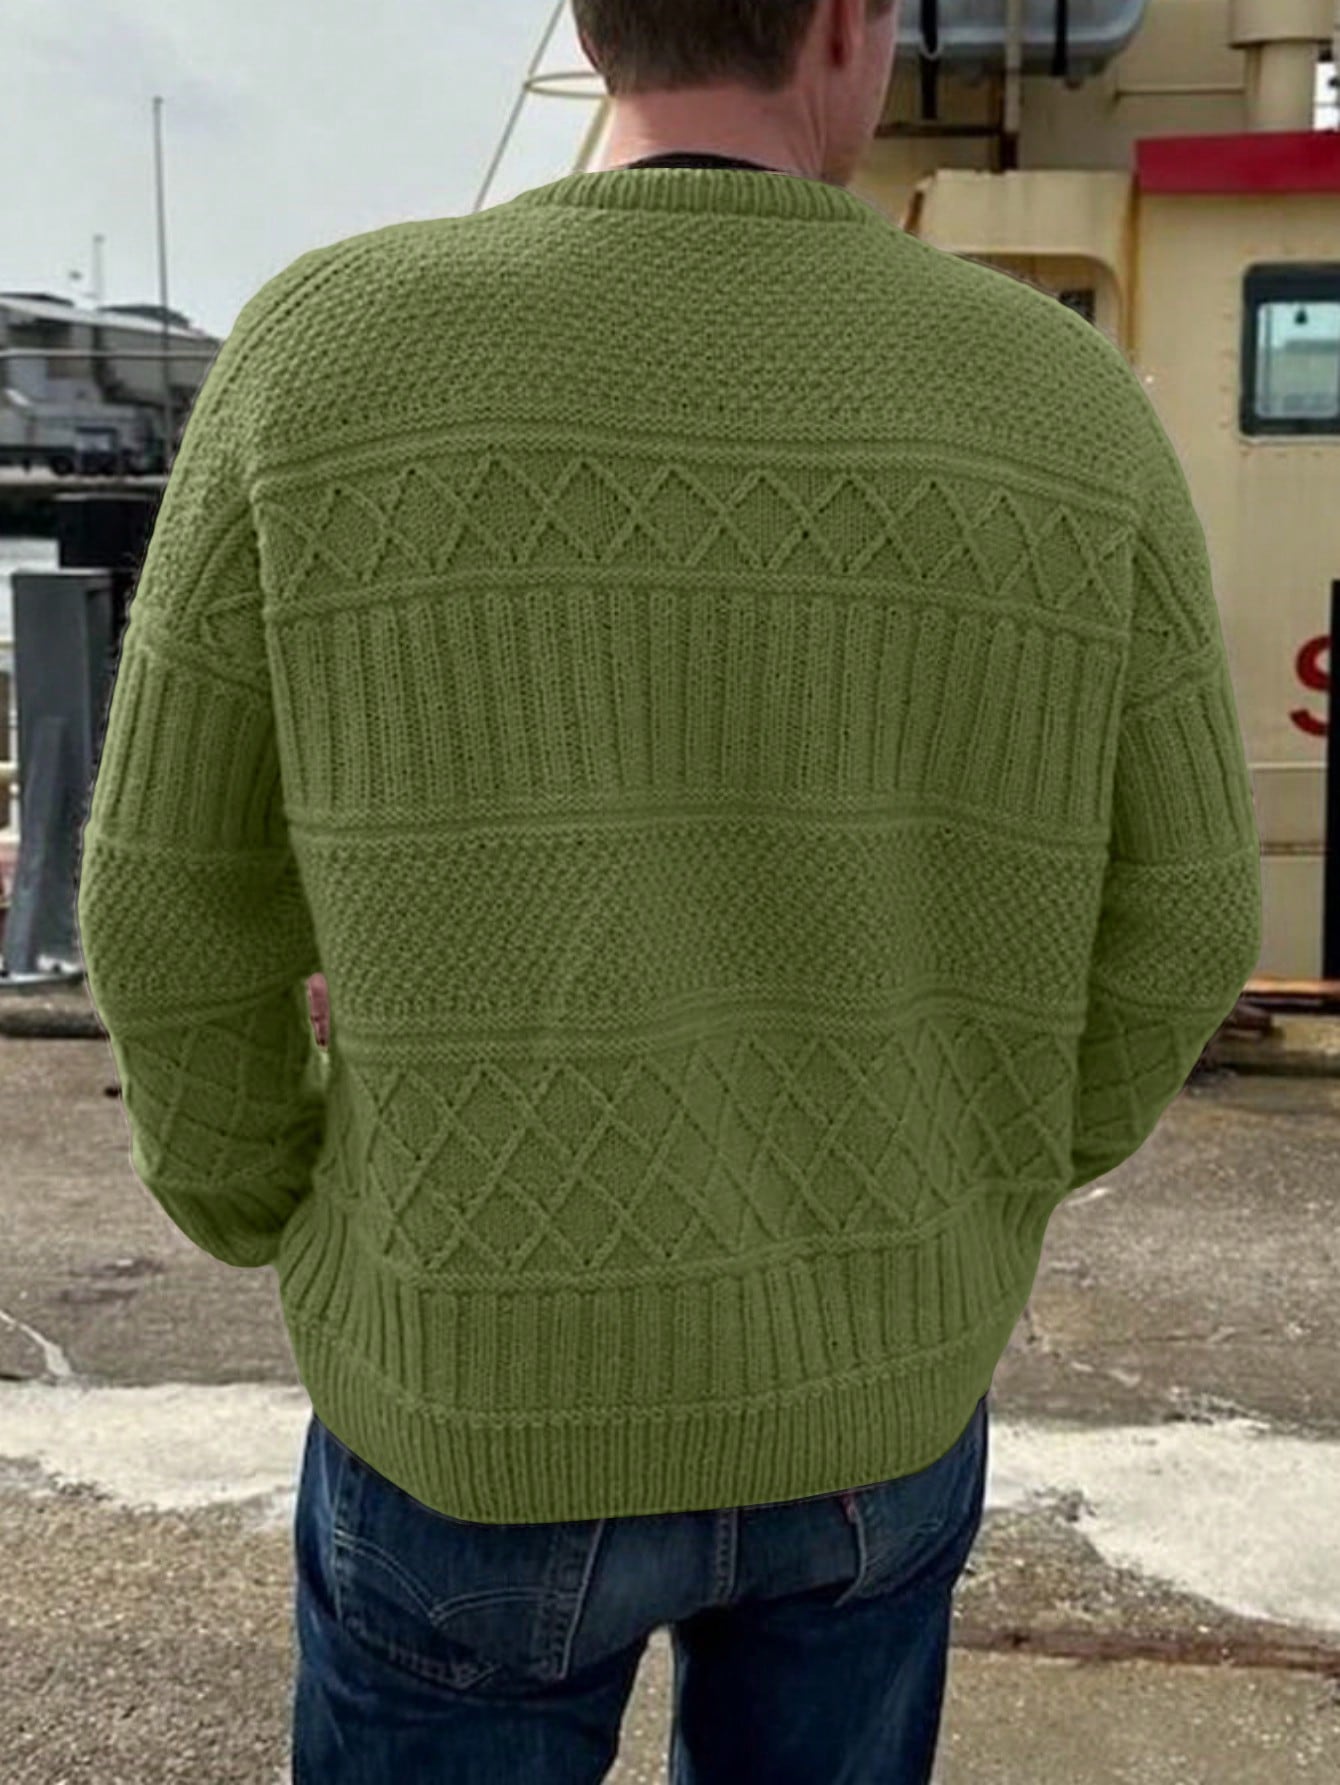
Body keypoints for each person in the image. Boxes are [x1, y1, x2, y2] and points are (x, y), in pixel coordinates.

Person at [74, 0, 1261, 1779]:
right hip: (878, 1389)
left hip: (473, 1383)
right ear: (848, 23)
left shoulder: (326, 353)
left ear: (588, 19)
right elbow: (1191, 915)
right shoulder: (1063, 399)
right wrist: (993, 1163)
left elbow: (167, 902)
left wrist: (257, 1189)